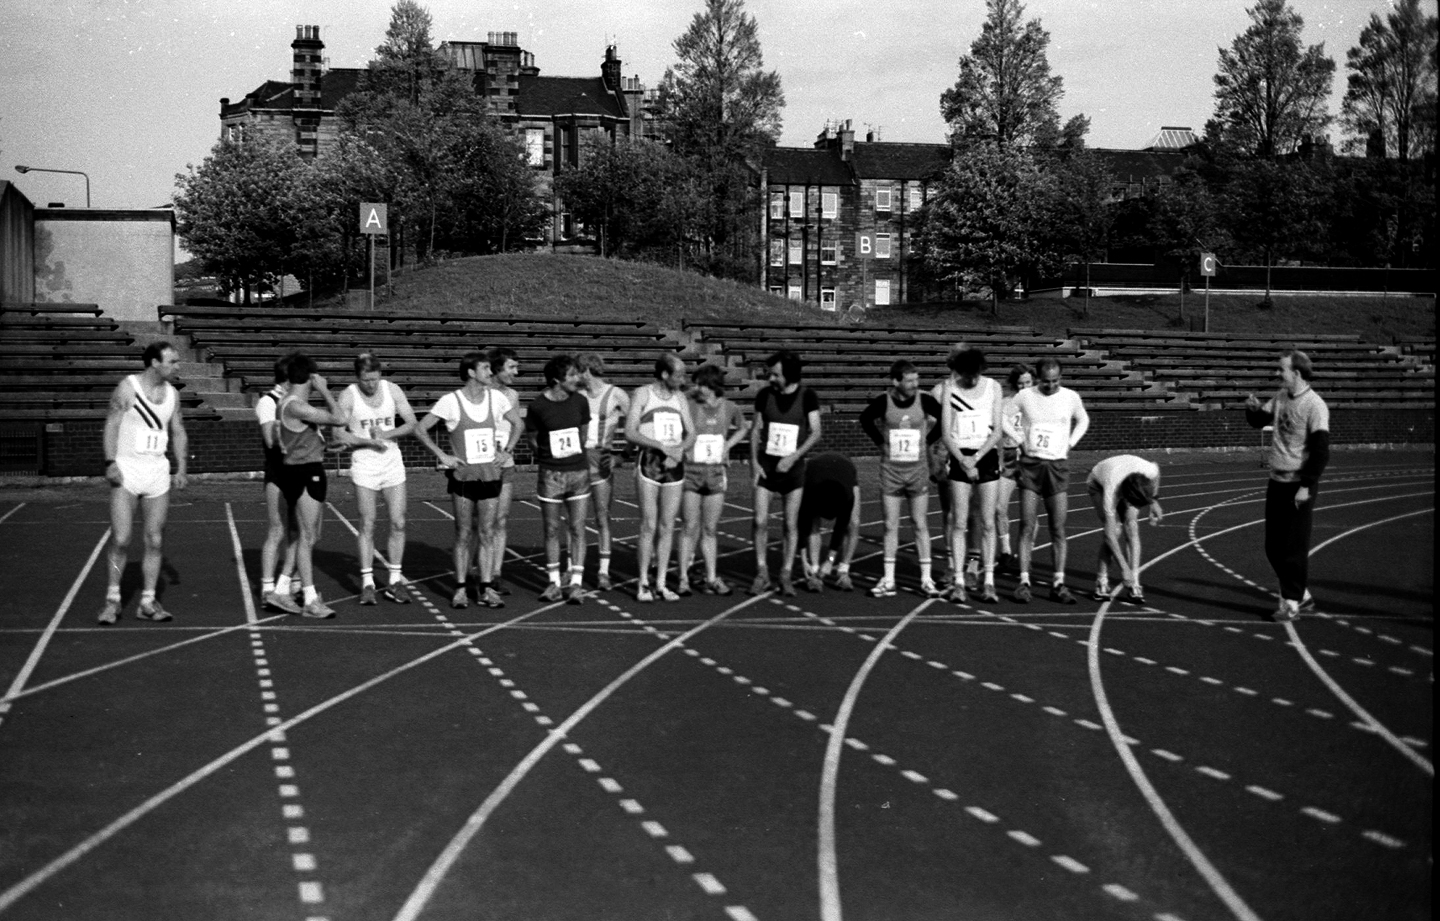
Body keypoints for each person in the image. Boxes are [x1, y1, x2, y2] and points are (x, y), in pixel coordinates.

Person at [415, 351, 520, 610]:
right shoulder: (451, 401)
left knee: (486, 532)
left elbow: (518, 424)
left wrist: (507, 450)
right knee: (463, 533)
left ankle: (485, 588)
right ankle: (461, 588)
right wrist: (442, 455)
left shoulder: (496, 398)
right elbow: (420, 428)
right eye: (485, 368)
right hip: (463, 479)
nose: (490, 372)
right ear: (471, 373)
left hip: (490, 477)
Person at [97, 342, 189, 624]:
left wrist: (182, 467)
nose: (177, 366)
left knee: (154, 539)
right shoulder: (128, 388)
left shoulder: (173, 394)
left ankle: (148, 602)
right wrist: (110, 462)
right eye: (172, 361)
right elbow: (112, 424)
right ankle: (112, 600)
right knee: (122, 539)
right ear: (153, 363)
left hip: (157, 472)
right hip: (127, 471)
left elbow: (178, 430)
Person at [1246, 349, 1330, 622]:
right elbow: (1260, 420)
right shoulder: (1281, 397)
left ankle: (1291, 604)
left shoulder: (1315, 405)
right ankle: (1301, 595)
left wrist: (1306, 485)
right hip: (1277, 482)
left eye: (1281, 369)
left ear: (1296, 372)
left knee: (1293, 548)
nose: (1277, 373)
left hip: (1298, 485)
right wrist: (1252, 409)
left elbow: (1320, 452)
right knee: (1273, 547)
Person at [335, 352, 418, 605]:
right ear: (357, 377)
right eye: (365, 380)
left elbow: (412, 423)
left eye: (374, 379)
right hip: (365, 465)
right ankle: (368, 582)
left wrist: (387, 433)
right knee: (368, 523)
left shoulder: (392, 390)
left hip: (392, 462)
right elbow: (339, 433)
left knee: (399, 522)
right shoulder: (348, 395)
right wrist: (366, 440)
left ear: (380, 375)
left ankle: (394, 580)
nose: (370, 384)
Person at [1008, 357, 1089, 604]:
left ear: (1060, 378)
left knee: (1058, 528)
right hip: (1031, 466)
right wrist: (1020, 439)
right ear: (1038, 377)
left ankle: (1058, 582)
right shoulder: (1025, 397)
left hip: (1057, 466)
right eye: (1046, 381)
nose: (1050, 386)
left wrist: (1070, 443)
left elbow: (1083, 420)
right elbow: (1002, 417)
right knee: (1026, 524)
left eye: (1055, 381)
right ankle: (1023, 581)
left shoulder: (1070, 397)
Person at [275, 352, 351, 618]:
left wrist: (325, 446)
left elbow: (303, 441)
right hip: (303, 474)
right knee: (308, 537)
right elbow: (340, 418)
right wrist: (325, 391)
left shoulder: (293, 405)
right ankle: (309, 597)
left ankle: (282, 588)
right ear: (309, 377)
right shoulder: (296, 405)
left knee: (306, 536)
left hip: (307, 468)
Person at [860, 360, 943, 597]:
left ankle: (926, 580)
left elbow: (944, 420)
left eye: (917, 380)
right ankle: (888, 579)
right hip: (891, 471)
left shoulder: (925, 401)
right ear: (896, 381)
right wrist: (879, 442)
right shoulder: (884, 402)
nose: (915, 385)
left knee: (919, 523)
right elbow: (865, 419)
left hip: (917, 472)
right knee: (890, 525)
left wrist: (927, 440)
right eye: (910, 381)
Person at [749, 349, 822, 597]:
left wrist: (793, 457)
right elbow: (756, 429)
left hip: (793, 471)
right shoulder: (764, 395)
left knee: (790, 524)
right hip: (767, 467)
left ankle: (786, 572)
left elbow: (815, 432)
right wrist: (753, 462)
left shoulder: (807, 397)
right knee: (759, 520)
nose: (771, 379)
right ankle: (761, 571)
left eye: (776, 375)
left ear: (789, 375)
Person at [626, 354, 696, 601]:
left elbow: (691, 433)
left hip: (674, 464)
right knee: (649, 524)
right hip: (650, 463)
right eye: (679, 375)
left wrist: (678, 450)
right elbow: (630, 432)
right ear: (665, 374)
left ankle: (662, 582)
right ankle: (643, 582)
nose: (683, 379)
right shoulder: (643, 394)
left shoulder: (680, 398)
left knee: (668, 525)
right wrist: (659, 446)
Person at [939, 349, 1005, 603]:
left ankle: (988, 580)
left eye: (977, 374)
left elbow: (997, 430)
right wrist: (963, 461)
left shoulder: (993, 387)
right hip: (959, 456)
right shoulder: (950, 389)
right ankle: (958, 580)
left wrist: (976, 459)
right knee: (959, 521)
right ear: (959, 371)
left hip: (985, 456)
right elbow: (946, 433)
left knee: (988, 522)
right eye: (968, 375)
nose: (973, 380)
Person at [526, 354, 592, 605]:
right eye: (573, 375)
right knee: (551, 529)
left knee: (577, 528)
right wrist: (549, 457)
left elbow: (582, 435)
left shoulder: (581, 402)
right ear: (556, 379)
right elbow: (533, 438)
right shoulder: (538, 406)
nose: (578, 379)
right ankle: (553, 581)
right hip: (550, 474)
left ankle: (575, 583)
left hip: (578, 472)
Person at [678, 364, 748, 597]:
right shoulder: (689, 405)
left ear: (713, 386)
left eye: (701, 384)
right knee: (689, 526)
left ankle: (711, 577)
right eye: (695, 383)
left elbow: (743, 427)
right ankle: (683, 577)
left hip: (715, 473)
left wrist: (728, 445)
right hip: (691, 472)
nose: (696, 388)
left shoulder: (729, 407)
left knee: (709, 528)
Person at [577, 353, 630, 591]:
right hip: (577, 459)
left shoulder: (616, 394)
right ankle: (573, 570)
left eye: (578, 371)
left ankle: (603, 571)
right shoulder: (577, 395)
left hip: (601, 459)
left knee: (601, 517)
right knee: (575, 520)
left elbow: (638, 425)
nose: (576, 376)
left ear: (586, 370)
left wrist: (623, 456)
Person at [255, 355, 301, 614]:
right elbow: (270, 439)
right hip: (278, 473)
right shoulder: (268, 402)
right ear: (285, 381)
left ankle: (291, 583)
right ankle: (267, 588)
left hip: (298, 472)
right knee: (277, 530)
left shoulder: (294, 402)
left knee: (298, 531)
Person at [1086, 455, 1163, 603]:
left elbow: (1157, 472)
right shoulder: (1111, 487)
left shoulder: (1148, 471)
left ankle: (1135, 581)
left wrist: (1154, 501)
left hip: (1127, 478)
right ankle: (1101, 582)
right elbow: (1109, 535)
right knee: (1114, 530)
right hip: (1098, 484)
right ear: (1126, 496)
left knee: (1132, 525)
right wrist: (1123, 568)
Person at [797, 452, 861, 592]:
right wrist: (803, 561)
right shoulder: (809, 495)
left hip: (845, 467)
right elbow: (802, 527)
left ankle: (843, 571)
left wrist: (829, 560)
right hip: (814, 469)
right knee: (812, 524)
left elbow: (840, 528)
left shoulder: (847, 497)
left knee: (853, 523)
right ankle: (814, 571)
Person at [486, 347, 521, 595]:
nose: (516, 373)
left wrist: (507, 450)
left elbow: (515, 426)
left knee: (500, 519)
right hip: (481, 464)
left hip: (504, 464)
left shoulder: (513, 395)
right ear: (497, 368)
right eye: (512, 367)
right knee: (482, 521)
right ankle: (479, 571)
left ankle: (496, 573)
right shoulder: (481, 392)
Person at [994, 363, 1033, 574]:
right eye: (1020, 384)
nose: (1024, 387)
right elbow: (998, 433)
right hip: (1009, 457)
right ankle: (1006, 551)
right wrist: (999, 458)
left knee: (1029, 512)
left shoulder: (1041, 403)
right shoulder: (1005, 404)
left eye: (1028, 382)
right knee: (999, 507)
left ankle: (1026, 554)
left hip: (1030, 458)